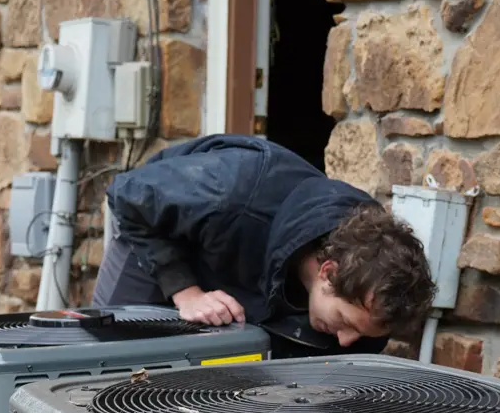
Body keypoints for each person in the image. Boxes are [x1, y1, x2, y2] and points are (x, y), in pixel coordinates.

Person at [92, 135, 436, 357]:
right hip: (157, 238)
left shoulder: (367, 305)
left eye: (361, 332)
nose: (347, 342)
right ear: (328, 273)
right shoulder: (231, 191)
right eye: (346, 322)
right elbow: (128, 194)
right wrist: (187, 293)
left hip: (254, 277)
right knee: (114, 360)